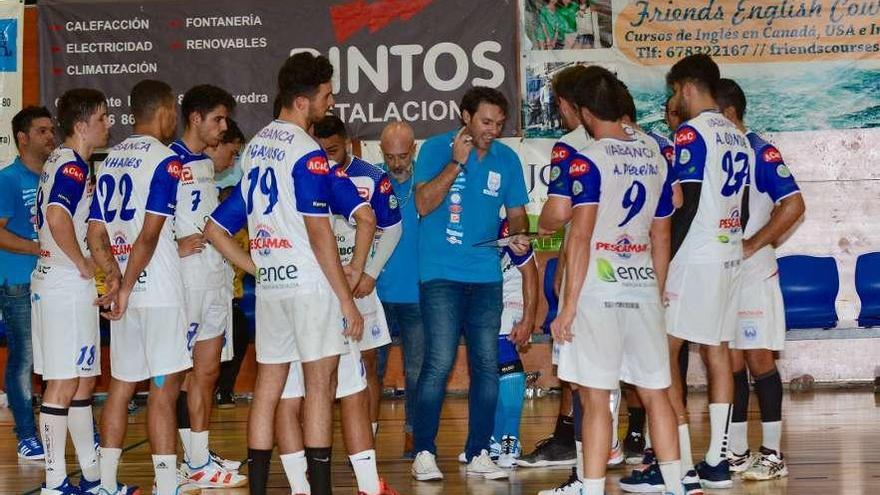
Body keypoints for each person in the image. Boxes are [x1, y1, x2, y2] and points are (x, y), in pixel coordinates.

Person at [206, 51, 362, 495]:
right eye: (326, 96)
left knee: (269, 387)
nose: (330, 104)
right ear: (302, 100)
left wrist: (257, 266)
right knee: (319, 386)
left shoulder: (254, 148)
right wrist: (347, 301)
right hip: (310, 286)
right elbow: (319, 232)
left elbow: (216, 229)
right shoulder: (306, 151)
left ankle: (258, 488)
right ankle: (321, 490)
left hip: (272, 287)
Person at [544, 64, 686, 495]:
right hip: (642, 285)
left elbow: (580, 235)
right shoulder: (654, 155)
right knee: (657, 392)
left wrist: (567, 307)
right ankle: (678, 486)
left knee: (595, 395)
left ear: (586, 113)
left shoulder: (588, 161)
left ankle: (590, 489)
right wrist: (656, 290)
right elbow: (663, 232)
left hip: (597, 292)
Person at [410, 86, 530, 482]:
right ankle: (424, 451)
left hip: (485, 277)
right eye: (485, 122)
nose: (492, 131)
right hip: (440, 276)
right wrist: (456, 164)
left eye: (498, 124)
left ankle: (479, 451)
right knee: (438, 363)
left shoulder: (507, 160)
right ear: (465, 116)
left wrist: (517, 234)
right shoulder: (433, 149)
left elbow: (518, 215)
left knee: (486, 366)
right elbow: (423, 204)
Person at [86, 79, 197, 495]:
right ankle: (167, 487)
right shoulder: (166, 161)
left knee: (120, 388)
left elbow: (95, 233)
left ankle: (107, 484)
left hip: (125, 295)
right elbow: (149, 236)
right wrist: (127, 284)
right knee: (163, 393)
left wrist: (112, 278)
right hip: (158, 293)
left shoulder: (110, 158)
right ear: (165, 110)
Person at [664, 54, 753, 490]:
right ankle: (717, 460)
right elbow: (748, 206)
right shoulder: (739, 137)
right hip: (729, 252)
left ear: (685, 87)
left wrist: (665, 265)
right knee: (717, 351)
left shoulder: (691, 133)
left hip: (695, 256)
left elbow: (690, 202)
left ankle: (677, 463)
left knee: (664, 353)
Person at [716, 78, 804, 481]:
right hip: (720, 271)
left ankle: (773, 453)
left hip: (753, 271)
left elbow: (794, 205)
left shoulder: (760, 152)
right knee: (729, 362)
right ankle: (736, 452)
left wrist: (752, 244)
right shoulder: (712, 153)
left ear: (729, 113)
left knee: (758, 359)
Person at [31, 89, 108, 495]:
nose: (108, 123)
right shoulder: (72, 168)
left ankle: (92, 478)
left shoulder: (68, 162)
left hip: (63, 286)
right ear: (81, 125)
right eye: (102, 117)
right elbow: (57, 216)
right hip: (62, 285)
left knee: (81, 382)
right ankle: (55, 481)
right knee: (62, 383)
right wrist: (82, 262)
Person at [169, 84, 246, 488]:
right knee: (186, 375)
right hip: (185, 284)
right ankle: (191, 462)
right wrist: (171, 245)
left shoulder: (202, 164)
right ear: (195, 118)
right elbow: (139, 225)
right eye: (218, 118)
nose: (223, 127)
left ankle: (198, 455)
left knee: (209, 372)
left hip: (213, 277)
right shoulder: (168, 162)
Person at [313, 115, 403, 438]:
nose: (326, 157)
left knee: (367, 363)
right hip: (320, 287)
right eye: (320, 150)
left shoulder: (372, 177)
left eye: (333, 149)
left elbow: (393, 229)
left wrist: (370, 272)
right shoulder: (309, 173)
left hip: (360, 286)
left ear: (349, 145)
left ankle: (370, 438)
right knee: (323, 367)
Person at [526, 65, 593, 476]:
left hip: (588, 271)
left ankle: (584, 467)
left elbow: (555, 217)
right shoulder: (642, 142)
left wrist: (549, 232)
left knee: (581, 367)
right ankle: (660, 457)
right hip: (637, 270)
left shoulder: (571, 148)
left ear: (569, 105)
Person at [0, 106, 54, 461]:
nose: (51, 136)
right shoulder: (9, 178)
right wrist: (38, 247)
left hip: (53, 281)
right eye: (42, 131)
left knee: (58, 357)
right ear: (22, 138)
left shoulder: (54, 177)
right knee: (25, 357)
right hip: (18, 280)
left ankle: (64, 420)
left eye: (52, 130)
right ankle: (26, 433)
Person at [375, 121, 424, 459]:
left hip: (419, 294)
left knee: (418, 372)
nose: (396, 163)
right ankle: (366, 435)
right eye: (389, 156)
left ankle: (413, 435)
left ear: (414, 151)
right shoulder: (370, 181)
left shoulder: (429, 182)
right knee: (370, 372)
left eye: (402, 155)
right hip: (375, 295)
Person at [489, 217, 538, 468]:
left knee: (503, 347)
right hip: (488, 286)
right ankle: (495, 439)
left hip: (512, 284)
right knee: (489, 360)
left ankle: (511, 437)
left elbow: (529, 270)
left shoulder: (508, 217)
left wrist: (528, 318)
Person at [208, 121, 248, 408]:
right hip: (195, 290)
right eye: (232, 153)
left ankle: (197, 451)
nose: (233, 162)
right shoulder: (185, 172)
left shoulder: (207, 180)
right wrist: (262, 271)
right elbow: (213, 232)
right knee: (192, 375)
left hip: (218, 292)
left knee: (204, 372)